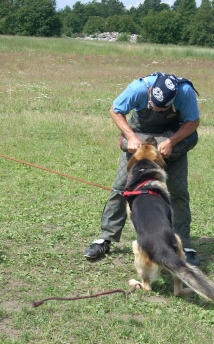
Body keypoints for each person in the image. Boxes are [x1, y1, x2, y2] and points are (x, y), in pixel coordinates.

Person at [83, 72, 201, 266]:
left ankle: (184, 246)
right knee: (121, 187)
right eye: (154, 105)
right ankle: (105, 238)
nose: (158, 110)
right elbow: (115, 110)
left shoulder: (185, 91)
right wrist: (130, 136)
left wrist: (171, 142)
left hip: (172, 138)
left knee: (178, 192)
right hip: (139, 136)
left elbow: (193, 121)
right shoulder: (138, 88)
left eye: (163, 108)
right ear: (149, 92)